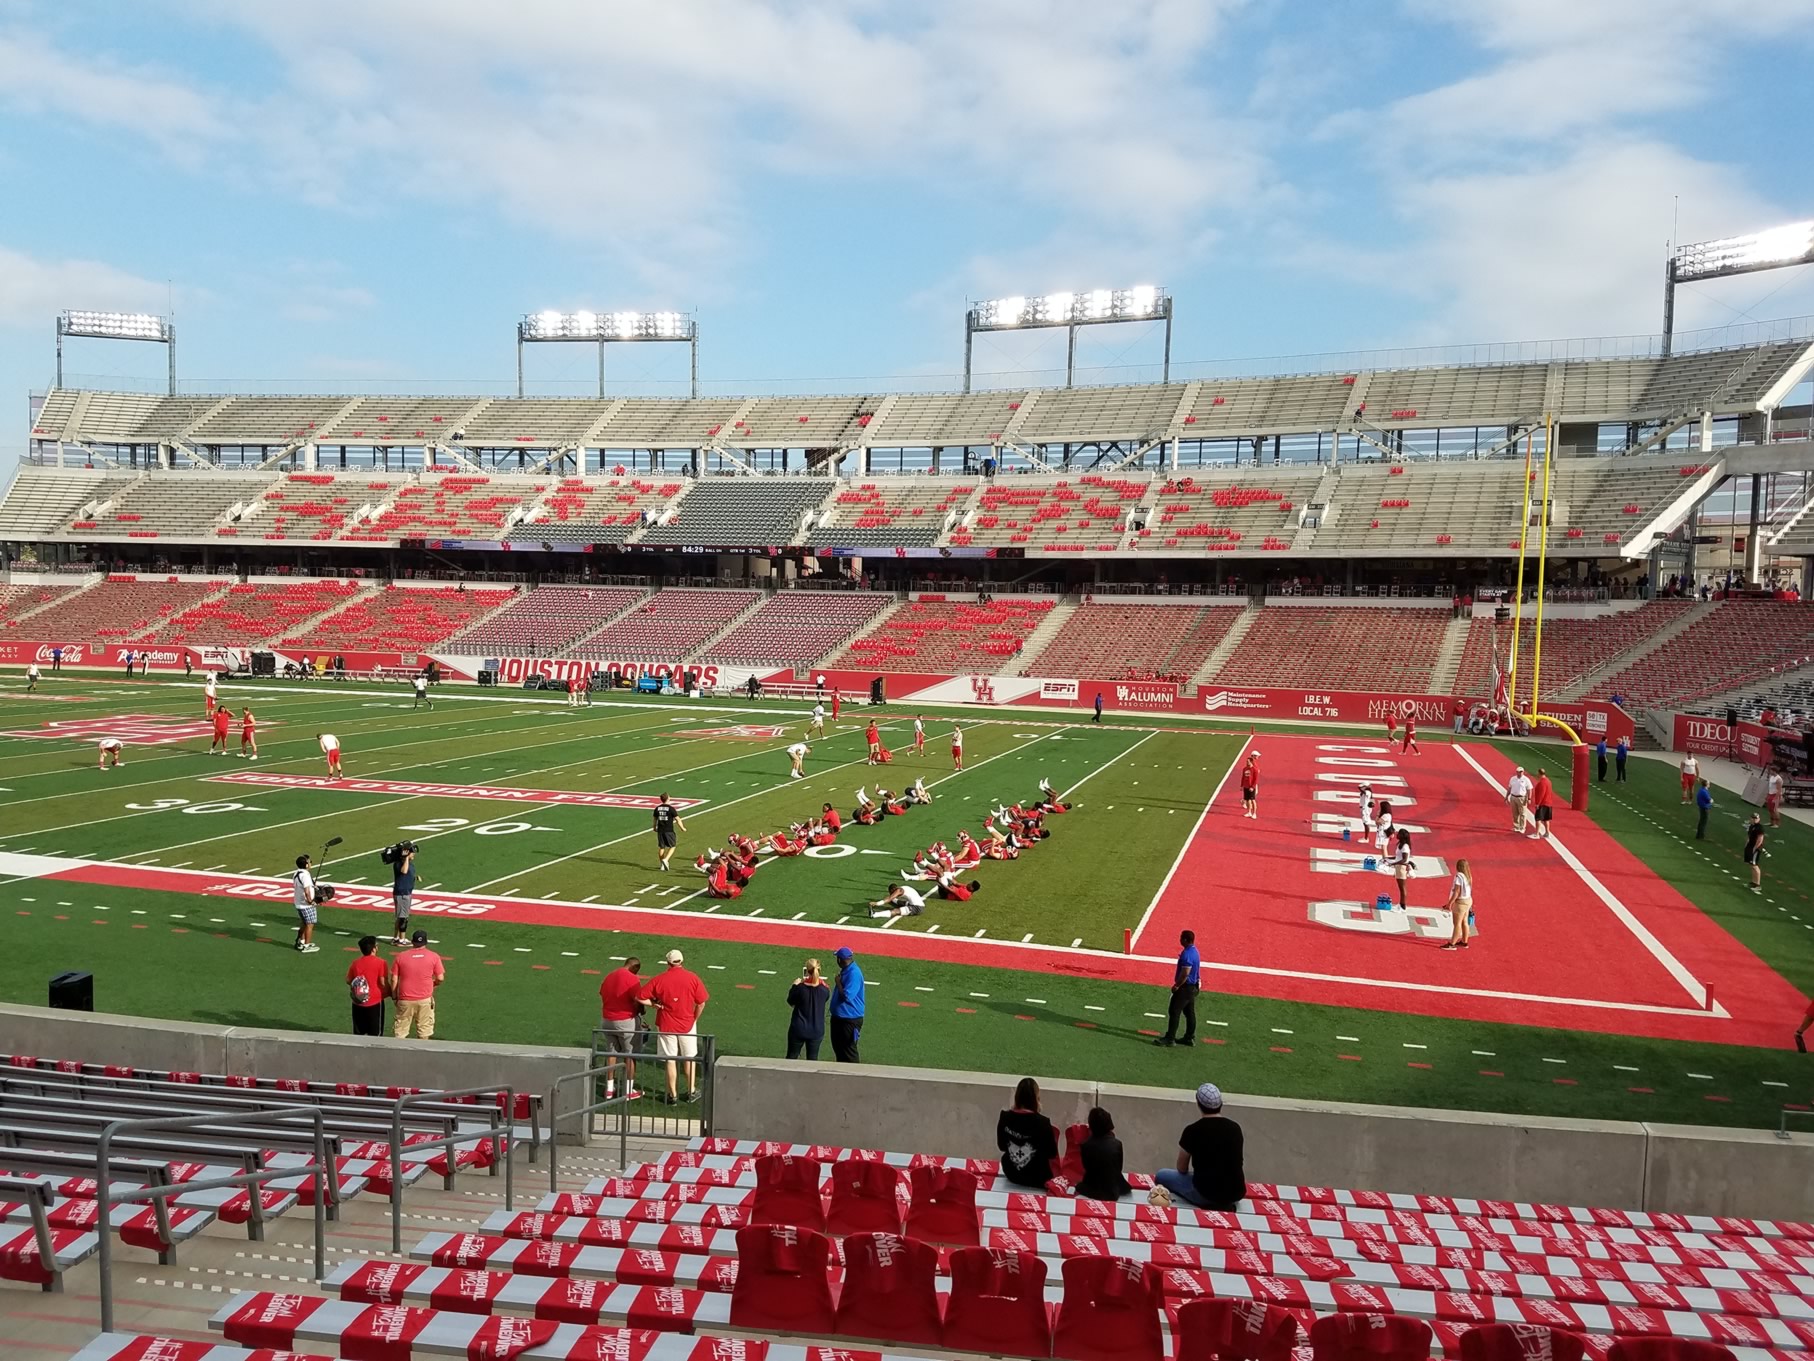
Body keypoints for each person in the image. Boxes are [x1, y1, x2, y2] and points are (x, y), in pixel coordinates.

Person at [1154, 1083, 1245, 1212]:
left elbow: (1181, 1168)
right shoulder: (1235, 1128)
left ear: (1198, 1104)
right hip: (1235, 1193)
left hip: (1205, 1194)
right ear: (1220, 1104)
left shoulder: (1192, 1130)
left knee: (1161, 1175)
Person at [638, 949, 709, 1104]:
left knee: (670, 1059)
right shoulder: (692, 978)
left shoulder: (659, 979)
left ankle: (672, 1095)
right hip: (687, 1023)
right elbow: (701, 1003)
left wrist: (654, 1004)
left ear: (668, 962)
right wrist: (694, 1018)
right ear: (682, 961)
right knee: (689, 1058)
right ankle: (691, 1091)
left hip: (666, 1024)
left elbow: (640, 997)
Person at [996, 1077, 1059, 1189]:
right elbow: (1052, 1153)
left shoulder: (1005, 1117)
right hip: (1038, 1177)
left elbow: (1002, 1146)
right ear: (1036, 1098)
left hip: (1012, 1173)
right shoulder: (1043, 1123)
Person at [598, 956, 644, 1096]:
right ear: (634, 968)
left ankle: (609, 1088)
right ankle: (629, 1091)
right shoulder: (632, 978)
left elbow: (602, 993)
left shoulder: (610, 975)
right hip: (625, 1021)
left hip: (607, 1020)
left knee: (611, 1053)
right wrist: (641, 1011)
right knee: (630, 1055)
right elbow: (638, 999)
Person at [390, 929, 446, 1039]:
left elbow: (393, 979)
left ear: (412, 942)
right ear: (426, 942)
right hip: (425, 999)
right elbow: (440, 978)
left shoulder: (401, 956)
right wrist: (433, 983)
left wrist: (394, 996)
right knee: (424, 1032)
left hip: (405, 999)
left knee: (400, 1032)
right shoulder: (434, 956)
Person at [1153, 929, 1200, 1048]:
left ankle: (1170, 1038)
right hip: (1192, 987)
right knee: (1189, 1013)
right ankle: (1189, 1037)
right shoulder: (1195, 952)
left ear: (1185, 940)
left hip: (1185, 988)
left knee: (1174, 1011)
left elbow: (1185, 973)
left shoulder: (1187, 954)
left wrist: (1177, 985)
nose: (1180, 940)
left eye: (1181, 938)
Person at [1076, 1106, 1130, 1202]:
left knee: (1079, 1186)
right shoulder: (1117, 1144)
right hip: (1113, 1190)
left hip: (1094, 1188)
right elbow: (1118, 1168)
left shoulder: (1085, 1146)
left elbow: (1087, 1168)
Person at [785, 958, 830, 1060]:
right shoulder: (824, 990)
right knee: (813, 1060)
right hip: (816, 1030)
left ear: (807, 971)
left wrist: (794, 986)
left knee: (791, 1057)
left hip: (798, 1028)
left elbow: (790, 1001)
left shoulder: (800, 989)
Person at [347, 936, 389, 1036]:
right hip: (375, 1001)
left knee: (358, 1033)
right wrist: (391, 992)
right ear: (374, 948)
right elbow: (383, 982)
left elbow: (348, 980)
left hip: (358, 1001)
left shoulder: (356, 963)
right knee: (375, 1034)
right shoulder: (381, 962)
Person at [830, 946, 865, 1062]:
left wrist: (838, 982)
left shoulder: (854, 973)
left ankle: (853, 1075)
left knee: (848, 1050)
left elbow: (847, 996)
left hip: (849, 1019)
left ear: (840, 960)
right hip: (840, 1018)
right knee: (839, 1049)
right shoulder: (847, 970)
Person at [291, 854, 321, 954]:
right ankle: (307, 945)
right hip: (305, 904)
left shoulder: (297, 873)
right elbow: (307, 891)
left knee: (304, 922)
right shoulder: (305, 876)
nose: (311, 863)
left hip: (298, 902)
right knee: (310, 924)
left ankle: (301, 941)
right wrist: (311, 902)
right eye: (310, 862)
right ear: (306, 865)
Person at [1442, 857, 1474, 950]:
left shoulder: (1459, 876)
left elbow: (1457, 891)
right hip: (1468, 900)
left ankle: (1452, 944)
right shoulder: (1469, 876)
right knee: (1465, 922)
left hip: (1460, 903)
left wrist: (1449, 904)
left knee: (1457, 923)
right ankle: (1464, 942)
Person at [389, 841, 417, 946]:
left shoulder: (408, 863)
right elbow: (404, 871)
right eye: (411, 852)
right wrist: (405, 858)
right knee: (403, 917)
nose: (413, 854)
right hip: (402, 893)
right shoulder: (399, 864)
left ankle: (396, 938)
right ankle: (401, 940)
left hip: (405, 892)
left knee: (400, 916)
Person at [652, 793, 685, 871]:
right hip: (669, 830)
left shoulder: (657, 808)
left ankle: (662, 865)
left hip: (660, 830)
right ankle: (666, 859)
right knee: (673, 846)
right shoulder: (671, 808)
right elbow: (678, 819)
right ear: (667, 799)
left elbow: (654, 819)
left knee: (661, 847)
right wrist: (682, 828)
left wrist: (654, 827)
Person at [1385, 827, 1413, 910]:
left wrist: (1393, 863)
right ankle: (1401, 904)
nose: (1397, 834)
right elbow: (1398, 857)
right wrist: (1388, 858)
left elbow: (1404, 859)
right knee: (1400, 887)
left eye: (1399, 833)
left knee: (1402, 887)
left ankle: (1403, 906)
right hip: (1398, 866)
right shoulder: (1400, 844)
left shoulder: (1405, 846)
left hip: (1402, 867)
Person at [1529, 768, 1554, 840]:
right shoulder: (1548, 781)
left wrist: (1538, 804)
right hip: (1548, 802)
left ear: (1539, 773)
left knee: (1538, 818)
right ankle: (1547, 833)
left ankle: (1536, 834)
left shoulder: (1542, 782)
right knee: (1546, 819)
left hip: (1543, 803)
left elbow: (1541, 794)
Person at [1505, 766, 1532, 833]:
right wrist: (1506, 796)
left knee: (1522, 813)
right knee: (1515, 813)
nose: (1520, 773)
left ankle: (1522, 827)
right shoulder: (1513, 779)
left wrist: (1529, 798)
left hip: (1522, 798)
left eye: (1521, 772)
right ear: (1516, 772)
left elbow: (1529, 789)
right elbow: (1510, 788)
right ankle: (1516, 826)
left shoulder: (1526, 779)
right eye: (1519, 772)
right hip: (1513, 797)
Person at [1744, 814, 1766, 893]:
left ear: (1759, 819)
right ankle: (1753, 882)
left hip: (1755, 848)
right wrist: (1746, 845)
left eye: (1756, 818)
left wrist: (1754, 848)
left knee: (1754, 865)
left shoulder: (1759, 828)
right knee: (1751, 864)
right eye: (1753, 818)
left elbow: (1760, 839)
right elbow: (1749, 837)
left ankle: (1758, 884)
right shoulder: (1751, 826)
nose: (1754, 819)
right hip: (1750, 847)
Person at [1239, 752, 1258, 819]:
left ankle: (1254, 813)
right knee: (1247, 800)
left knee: (1253, 800)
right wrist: (1242, 785)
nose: (1247, 762)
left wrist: (1252, 787)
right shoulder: (1245, 769)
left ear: (1251, 762)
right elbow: (1243, 777)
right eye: (1246, 761)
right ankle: (1249, 812)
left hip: (1251, 787)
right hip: (1246, 786)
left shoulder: (1254, 770)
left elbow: (1255, 779)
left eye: (1248, 761)